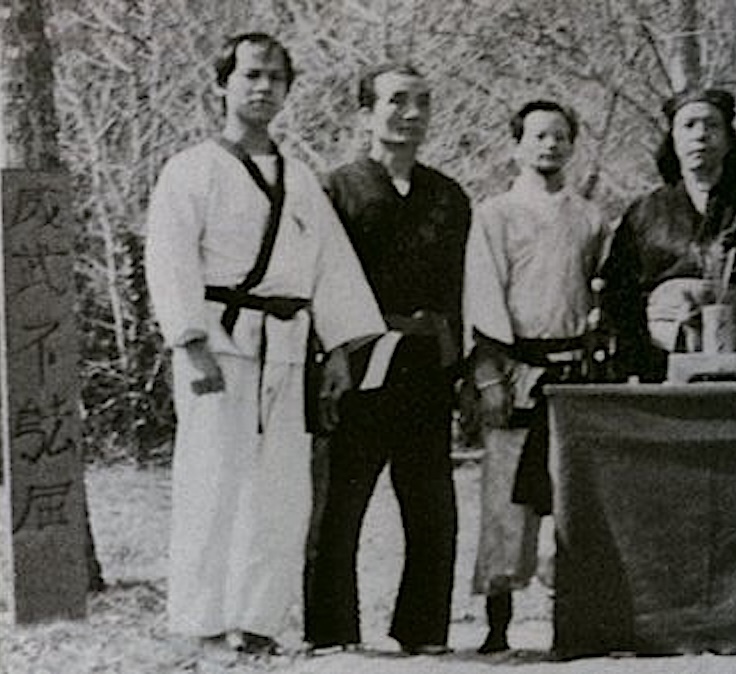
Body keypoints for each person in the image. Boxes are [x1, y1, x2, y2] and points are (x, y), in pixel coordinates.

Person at [144, 32, 385, 654]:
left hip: (287, 343)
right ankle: (199, 622)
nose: (262, 87)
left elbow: (330, 268)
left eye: (275, 77)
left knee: (280, 491)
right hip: (218, 340)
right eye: (250, 75)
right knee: (211, 480)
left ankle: (258, 623)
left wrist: (338, 352)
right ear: (222, 84)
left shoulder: (301, 178)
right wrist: (190, 342)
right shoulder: (191, 169)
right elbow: (169, 259)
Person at [302, 63, 470, 655]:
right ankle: (330, 634)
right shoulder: (336, 189)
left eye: (422, 102)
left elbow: (457, 289)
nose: (411, 113)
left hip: (426, 365)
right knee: (339, 504)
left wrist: (461, 368)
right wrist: (331, 359)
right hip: (357, 361)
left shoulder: (448, 196)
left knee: (432, 506)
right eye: (397, 101)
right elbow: (318, 283)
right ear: (365, 113)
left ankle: (424, 632)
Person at [464, 100, 610, 653]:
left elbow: (601, 292)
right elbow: (482, 295)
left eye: (560, 137)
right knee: (506, 501)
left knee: (569, 499)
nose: (549, 146)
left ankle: (570, 624)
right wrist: (489, 377)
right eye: (538, 136)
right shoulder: (495, 214)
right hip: (515, 366)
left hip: (573, 372)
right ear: (517, 145)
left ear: (573, 146)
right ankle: (497, 624)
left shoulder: (591, 218)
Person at [600, 88, 736, 382]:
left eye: (712, 125)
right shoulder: (643, 213)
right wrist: (635, 363)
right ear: (673, 140)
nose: (701, 134)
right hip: (659, 367)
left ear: (728, 139)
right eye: (689, 125)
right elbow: (620, 297)